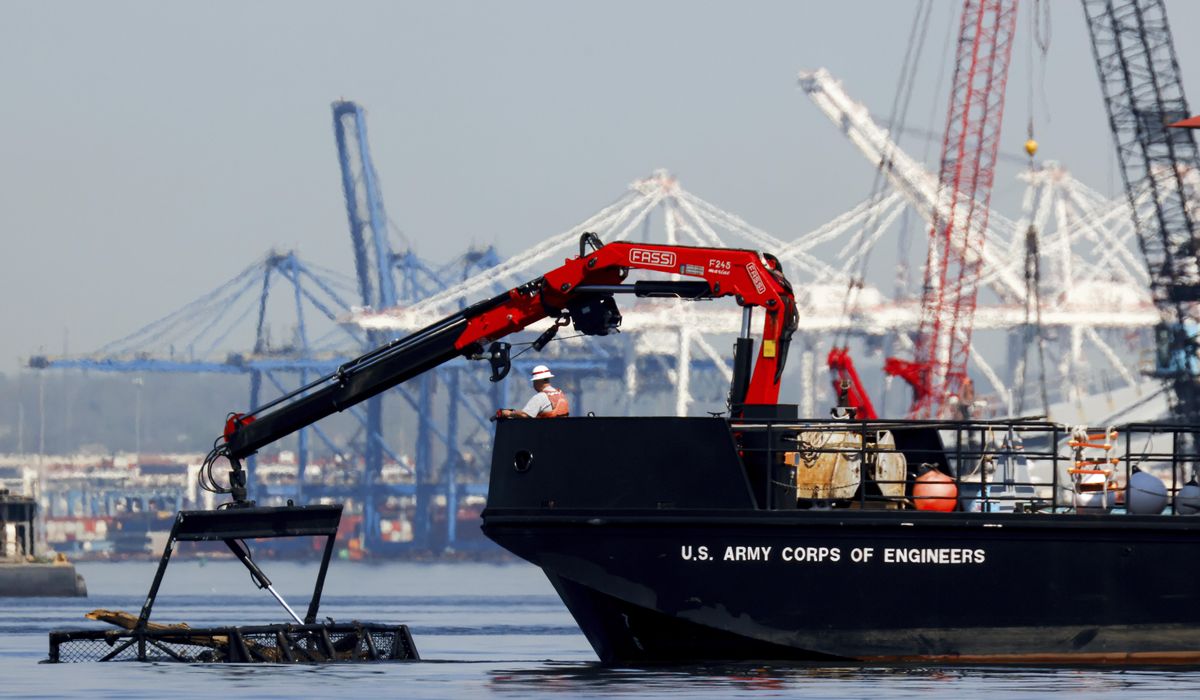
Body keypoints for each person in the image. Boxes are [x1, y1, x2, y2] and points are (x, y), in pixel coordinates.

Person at [499, 365, 570, 419]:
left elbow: (525, 415)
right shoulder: (560, 394)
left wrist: (508, 413)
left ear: (537, 381)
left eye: (534, 382)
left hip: (546, 434)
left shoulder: (540, 397)